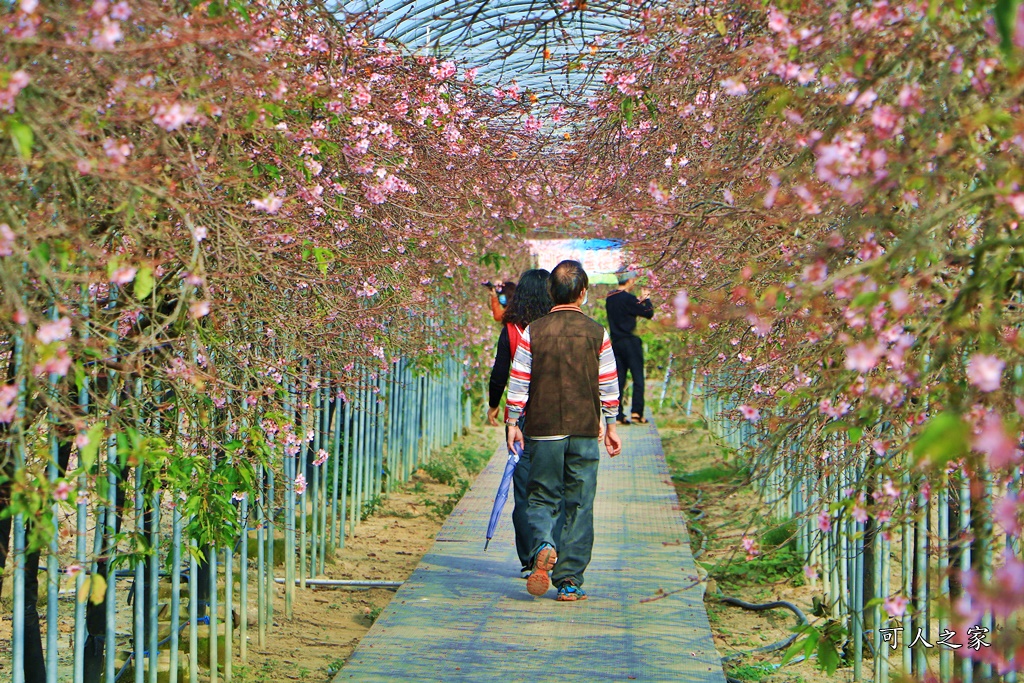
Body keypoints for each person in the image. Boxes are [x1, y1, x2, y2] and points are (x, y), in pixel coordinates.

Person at [506, 260, 622, 602]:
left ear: (550, 291)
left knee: (541, 495)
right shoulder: (597, 332)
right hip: (585, 430)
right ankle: (569, 581)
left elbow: (519, 382)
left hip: (543, 430)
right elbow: (609, 384)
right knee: (580, 503)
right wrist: (612, 424)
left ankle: (542, 542)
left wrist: (514, 423)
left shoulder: (533, 331)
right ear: (583, 293)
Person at [485, 269, 553, 575]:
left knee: (523, 485)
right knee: (555, 483)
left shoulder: (512, 329)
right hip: (555, 416)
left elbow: (500, 370)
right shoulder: (557, 328)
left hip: (521, 416)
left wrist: (493, 405)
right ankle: (551, 547)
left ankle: (530, 556)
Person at [605, 269, 654, 425]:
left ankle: (618, 415)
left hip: (616, 343)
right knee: (638, 377)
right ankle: (636, 413)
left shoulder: (610, 298)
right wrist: (646, 298)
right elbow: (648, 313)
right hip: (631, 342)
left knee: (619, 379)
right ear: (629, 281)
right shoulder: (629, 299)